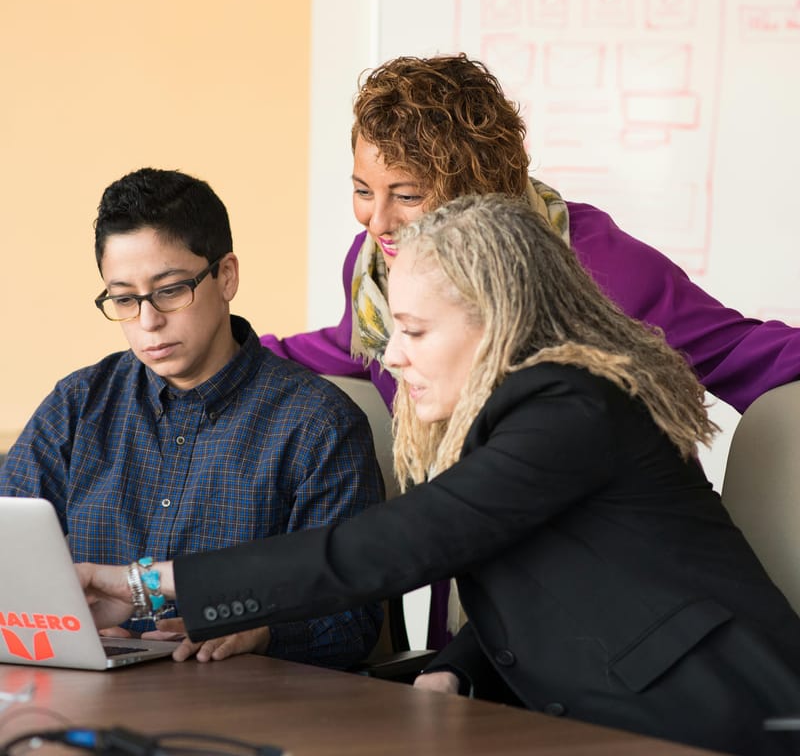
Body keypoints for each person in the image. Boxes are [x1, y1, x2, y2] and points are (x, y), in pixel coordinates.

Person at [78, 194, 800, 756]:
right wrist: (456, 666)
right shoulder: (525, 417)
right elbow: (556, 577)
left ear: (497, 319)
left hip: (718, 724)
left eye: (415, 332)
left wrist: (146, 582)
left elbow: (395, 545)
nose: (391, 357)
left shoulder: (573, 406)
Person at [259, 53, 800, 649]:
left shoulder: (599, 263)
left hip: (621, 602)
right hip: (485, 603)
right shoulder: (377, 273)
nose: (377, 221)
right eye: (363, 190)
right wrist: (232, 350)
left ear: (475, 187)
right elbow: (350, 345)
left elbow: (740, 349)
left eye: (406, 195)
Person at [0, 167, 383, 668]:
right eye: (123, 299)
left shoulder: (317, 425)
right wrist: (59, 625)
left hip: (244, 708)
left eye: (170, 289)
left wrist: (263, 632)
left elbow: (352, 621)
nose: (148, 320)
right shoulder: (78, 405)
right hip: (85, 697)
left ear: (226, 275)